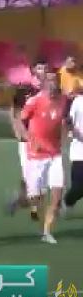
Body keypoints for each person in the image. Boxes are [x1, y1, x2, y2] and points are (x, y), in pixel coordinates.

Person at [20, 71, 66, 244]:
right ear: (45, 83)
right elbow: (20, 120)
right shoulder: (35, 101)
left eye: (55, 80)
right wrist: (30, 140)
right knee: (37, 197)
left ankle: (47, 231)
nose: (53, 83)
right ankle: (25, 201)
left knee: (57, 194)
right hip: (37, 155)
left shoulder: (62, 100)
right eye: (50, 80)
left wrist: (64, 135)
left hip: (55, 154)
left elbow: (63, 121)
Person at [4, 84, 41, 221]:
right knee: (30, 175)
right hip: (26, 145)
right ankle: (30, 206)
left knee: (32, 176)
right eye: (27, 95)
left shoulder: (32, 108)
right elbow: (20, 130)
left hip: (32, 144)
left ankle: (24, 201)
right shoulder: (17, 111)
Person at [63, 82, 83, 216]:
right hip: (79, 152)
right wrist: (76, 133)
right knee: (78, 187)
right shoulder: (78, 102)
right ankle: (68, 201)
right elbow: (69, 121)